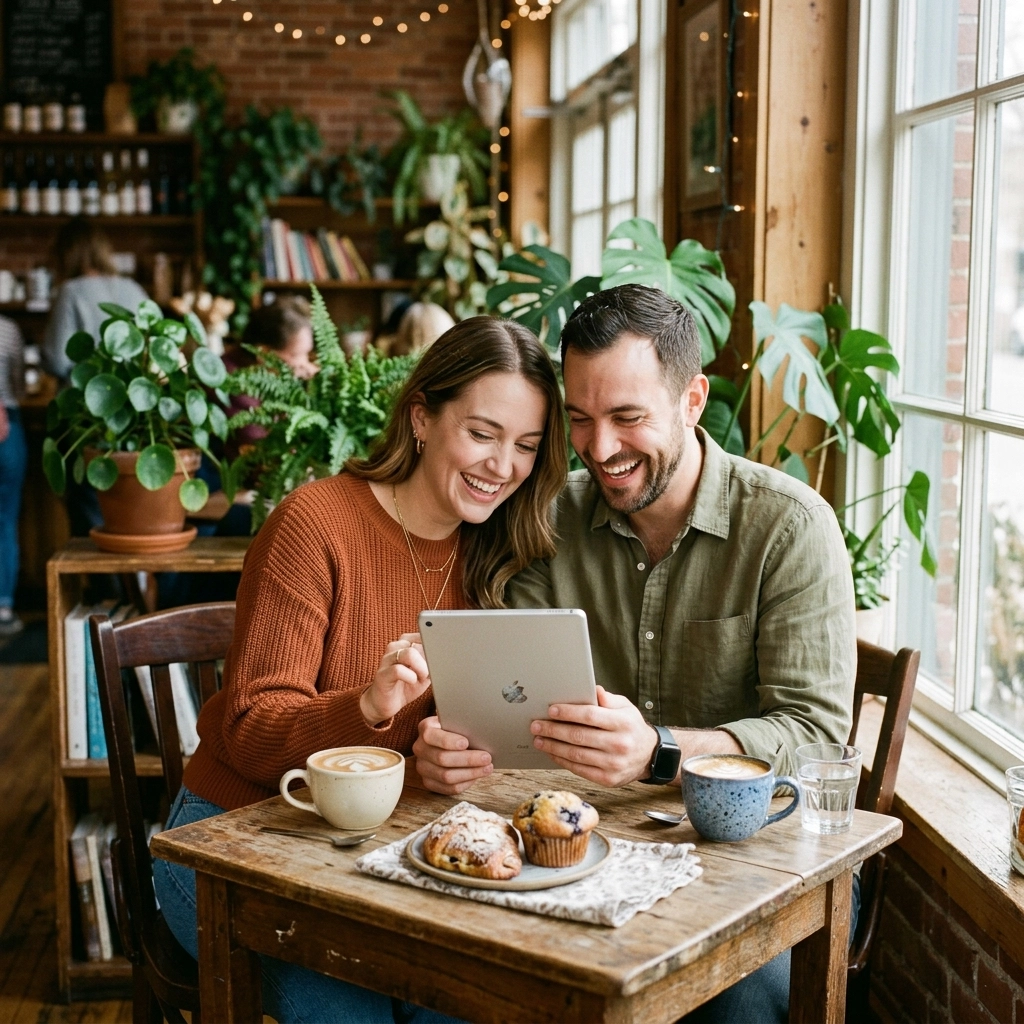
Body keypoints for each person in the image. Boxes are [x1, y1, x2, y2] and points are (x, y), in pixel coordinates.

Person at [412, 284, 857, 1023]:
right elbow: (501, 699)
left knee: (741, 1005)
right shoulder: (549, 518)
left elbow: (813, 738)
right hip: (585, 854)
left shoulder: (788, 528)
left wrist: (661, 751)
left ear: (692, 400)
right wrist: (451, 744)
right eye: (581, 420)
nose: (602, 447)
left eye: (628, 417)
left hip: (753, 859)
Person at [151, 316, 567, 1024]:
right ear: (421, 418)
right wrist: (368, 708)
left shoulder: (497, 555)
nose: (504, 466)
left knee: (471, 1005)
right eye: (482, 433)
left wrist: (445, 759)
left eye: (526, 446)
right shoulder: (314, 524)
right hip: (234, 841)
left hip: (378, 853)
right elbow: (249, 733)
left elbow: (457, 744)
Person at [43, 218, 150, 381]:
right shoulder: (134, 288)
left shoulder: (70, 291)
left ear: (64, 255)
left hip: (84, 399)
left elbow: (57, 362)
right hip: (134, 399)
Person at [0, 315, 26, 635]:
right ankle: (3, 606)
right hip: (7, 428)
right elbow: (19, 386)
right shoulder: (8, 328)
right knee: (5, 517)